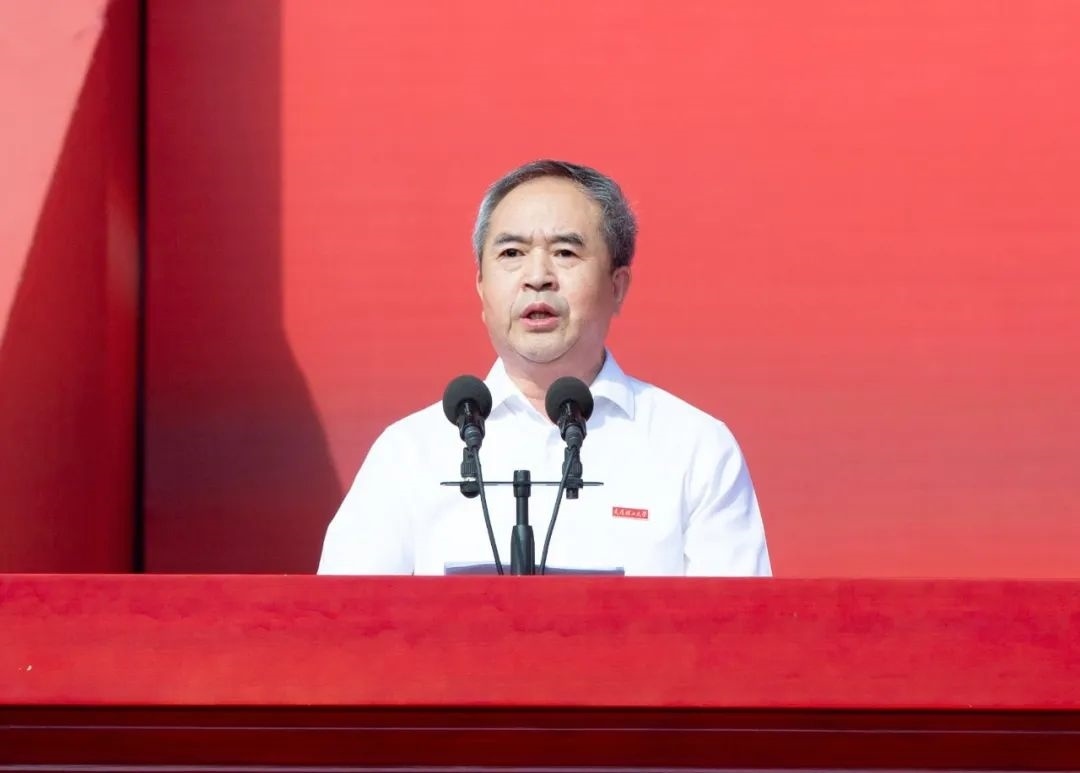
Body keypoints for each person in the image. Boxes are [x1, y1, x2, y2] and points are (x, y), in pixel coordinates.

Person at [318, 160, 771, 576]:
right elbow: (340, 623)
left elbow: (737, 629)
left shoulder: (694, 448)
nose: (537, 276)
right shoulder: (410, 454)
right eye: (511, 253)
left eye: (566, 253)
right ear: (481, 286)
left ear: (617, 286)